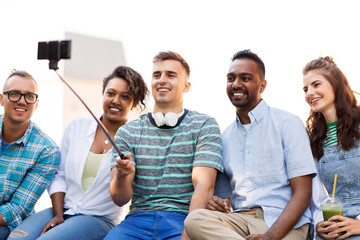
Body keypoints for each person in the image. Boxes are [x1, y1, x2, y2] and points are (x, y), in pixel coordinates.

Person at [184, 49, 317, 240]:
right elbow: (223, 199)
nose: (236, 84)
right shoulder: (224, 137)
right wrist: (217, 203)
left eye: (245, 78)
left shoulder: (288, 123)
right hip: (239, 221)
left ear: (262, 85)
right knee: (194, 219)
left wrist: (271, 236)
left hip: (285, 223)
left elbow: (303, 194)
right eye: (231, 79)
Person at [8, 66, 149, 240]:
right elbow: (59, 176)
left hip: (97, 219)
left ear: (134, 103)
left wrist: (122, 175)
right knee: (17, 237)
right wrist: (59, 215)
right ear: (103, 94)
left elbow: (121, 199)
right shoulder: (76, 126)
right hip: (63, 209)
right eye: (111, 93)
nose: (116, 100)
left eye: (125, 96)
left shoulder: (134, 141)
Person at [104, 51, 223, 240]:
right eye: (157, 75)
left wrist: (189, 233)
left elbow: (204, 186)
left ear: (186, 86)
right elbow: (120, 199)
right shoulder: (128, 132)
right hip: (137, 220)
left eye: (171, 75)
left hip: (184, 219)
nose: (162, 80)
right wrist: (121, 175)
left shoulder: (204, 125)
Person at [303, 56, 360, 240]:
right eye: (305, 89)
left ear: (335, 85)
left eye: (316, 84)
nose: (310, 93)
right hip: (334, 226)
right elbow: (317, 195)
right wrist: (319, 223)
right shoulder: (314, 140)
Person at [0, 70, 59, 240]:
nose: (21, 101)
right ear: (1, 99)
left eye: (29, 96)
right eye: (14, 94)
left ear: (36, 104)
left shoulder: (47, 150)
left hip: (5, 224)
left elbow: (17, 209)